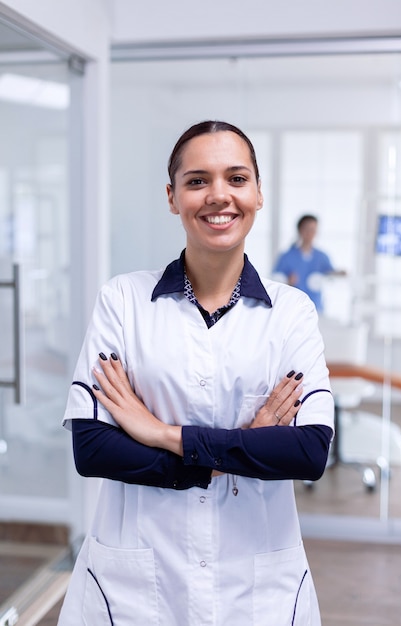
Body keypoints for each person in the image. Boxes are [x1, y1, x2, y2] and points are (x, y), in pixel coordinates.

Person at [58, 121, 334, 625]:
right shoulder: (123, 300)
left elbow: (308, 450)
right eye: (197, 181)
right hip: (138, 581)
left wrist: (163, 433)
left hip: (255, 584)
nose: (218, 196)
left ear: (258, 192)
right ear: (172, 196)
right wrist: (235, 451)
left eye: (236, 178)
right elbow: (93, 448)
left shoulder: (291, 312)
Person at [273, 214, 345, 313]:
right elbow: (275, 281)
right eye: (307, 229)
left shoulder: (321, 256)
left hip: (316, 307)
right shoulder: (286, 256)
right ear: (300, 230)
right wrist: (287, 281)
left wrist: (340, 274)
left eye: (313, 230)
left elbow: (330, 275)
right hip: (293, 307)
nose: (310, 233)